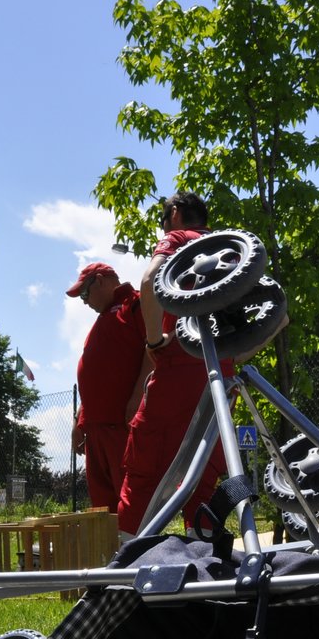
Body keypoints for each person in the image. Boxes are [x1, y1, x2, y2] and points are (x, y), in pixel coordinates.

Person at [116, 191, 232, 537]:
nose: (163, 226)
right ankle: (209, 567)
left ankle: (125, 572)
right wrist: (234, 355)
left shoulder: (180, 239)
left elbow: (151, 281)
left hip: (178, 369)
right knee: (203, 479)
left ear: (176, 214)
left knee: (145, 473)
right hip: (220, 380)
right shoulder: (233, 250)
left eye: (163, 218)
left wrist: (154, 340)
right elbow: (278, 317)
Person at [67, 262, 149, 512]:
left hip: (121, 426)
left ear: (100, 280)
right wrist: (79, 419)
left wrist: (138, 398)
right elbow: (95, 373)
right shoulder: (101, 321)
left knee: (131, 503)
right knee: (103, 510)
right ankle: (112, 552)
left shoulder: (136, 304)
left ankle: (141, 551)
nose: (84, 302)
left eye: (84, 294)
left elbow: (154, 351)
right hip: (95, 432)